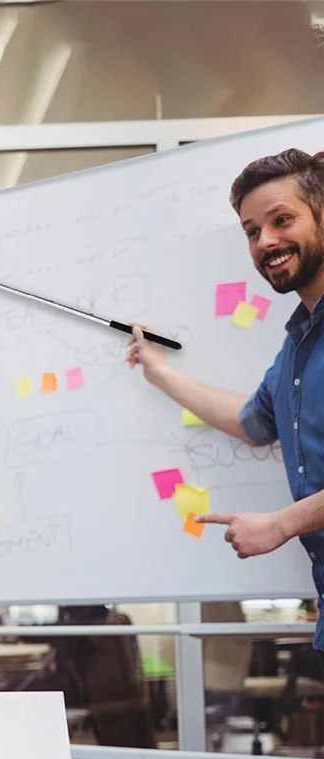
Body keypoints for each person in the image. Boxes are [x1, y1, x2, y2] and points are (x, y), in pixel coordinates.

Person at [127, 148, 324, 653]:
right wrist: (159, 374)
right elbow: (252, 421)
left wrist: (281, 523)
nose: (266, 242)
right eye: (252, 231)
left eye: (282, 220)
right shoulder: (297, 346)